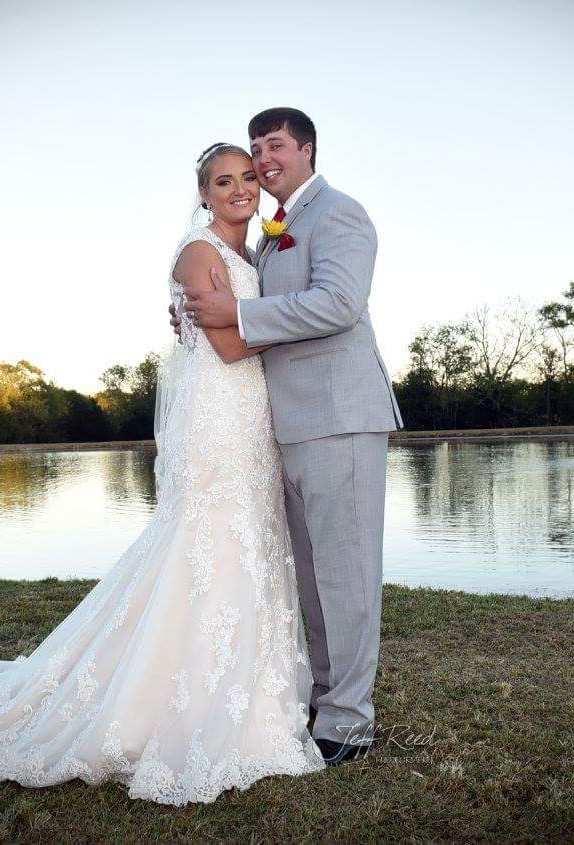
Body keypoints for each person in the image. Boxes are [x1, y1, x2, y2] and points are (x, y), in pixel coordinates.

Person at [0, 141, 326, 807]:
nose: (240, 189)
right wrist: (308, 322)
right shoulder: (199, 252)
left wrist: (267, 316)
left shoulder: (251, 256)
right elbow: (224, 343)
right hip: (216, 422)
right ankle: (175, 704)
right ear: (203, 194)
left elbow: (238, 326)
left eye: (249, 177)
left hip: (250, 418)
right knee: (208, 544)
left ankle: (253, 701)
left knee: (248, 542)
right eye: (224, 181)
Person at [176, 107, 403, 764]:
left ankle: (350, 723)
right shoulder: (273, 230)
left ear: (306, 148)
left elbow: (339, 304)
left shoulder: (339, 212)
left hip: (339, 415)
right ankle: (328, 694)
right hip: (285, 422)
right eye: (255, 148)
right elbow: (242, 309)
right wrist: (199, 313)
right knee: (313, 574)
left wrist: (237, 312)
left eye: (274, 145)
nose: (263, 158)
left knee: (348, 573)